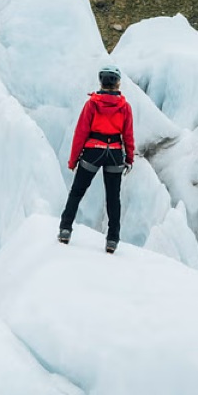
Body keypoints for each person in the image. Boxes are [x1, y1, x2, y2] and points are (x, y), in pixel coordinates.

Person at [59, 64, 136, 254]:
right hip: (115, 153)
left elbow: (81, 133)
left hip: (93, 150)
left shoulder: (92, 104)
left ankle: (65, 230)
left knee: (77, 192)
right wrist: (129, 158)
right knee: (113, 198)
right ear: (118, 83)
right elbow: (128, 135)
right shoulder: (124, 107)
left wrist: (73, 160)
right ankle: (112, 240)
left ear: (101, 81)